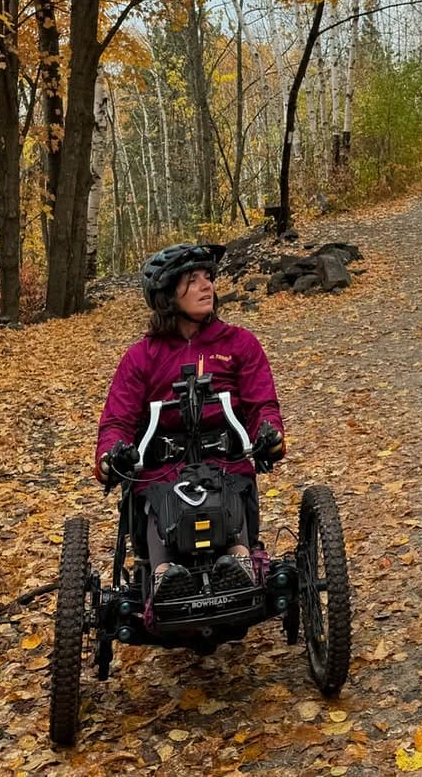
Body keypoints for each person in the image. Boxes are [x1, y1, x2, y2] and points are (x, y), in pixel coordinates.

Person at [96, 243, 284, 601]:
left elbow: (263, 405)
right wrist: (109, 456)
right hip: (162, 473)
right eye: (192, 279)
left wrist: (270, 434)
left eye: (207, 277)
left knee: (225, 494)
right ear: (167, 294)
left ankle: (238, 565)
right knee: (163, 500)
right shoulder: (141, 357)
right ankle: (165, 578)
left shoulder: (240, 344)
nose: (206, 285)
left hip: (226, 465)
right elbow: (117, 421)